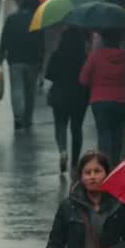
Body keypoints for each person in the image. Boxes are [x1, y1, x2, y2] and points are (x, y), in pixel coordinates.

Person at [80, 29, 125, 165]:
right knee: (118, 134)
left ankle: (105, 166)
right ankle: (115, 163)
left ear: (103, 40)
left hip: (99, 101)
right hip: (122, 101)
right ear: (119, 41)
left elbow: (83, 79)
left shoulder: (95, 56)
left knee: (103, 134)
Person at [45, 27, 90, 175]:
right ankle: (75, 162)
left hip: (60, 95)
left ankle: (63, 150)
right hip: (80, 96)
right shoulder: (84, 57)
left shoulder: (57, 55)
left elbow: (49, 75)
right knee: (77, 128)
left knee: (60, 125)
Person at [0, 0, 45, 130]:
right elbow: (41, 42)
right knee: (30, 91)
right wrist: (41, 61)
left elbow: (4, 38)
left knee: (16, 89)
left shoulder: (12, 19)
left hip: (15, 60)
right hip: (32, 60)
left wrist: (1, 56)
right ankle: (28, 118)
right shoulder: (37, 20)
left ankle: (18, 116)